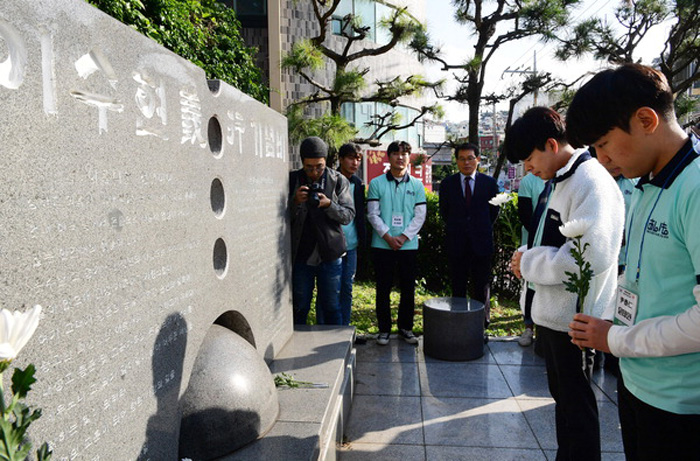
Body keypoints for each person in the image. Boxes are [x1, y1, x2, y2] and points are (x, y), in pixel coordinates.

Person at [566, 63, 700, 460]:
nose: (602, 160)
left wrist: (616, 338)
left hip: (680, 404)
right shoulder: (648, 183)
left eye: (604, 144)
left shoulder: (694, 188)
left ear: (645, 119)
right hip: (639, 382)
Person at [505, 106, 624, 461]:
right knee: (566, 402)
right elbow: (552, 240)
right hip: (556, 315)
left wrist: (529, 262)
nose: (528, 168)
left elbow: (588, 256)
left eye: (529, 158)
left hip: (576, 319)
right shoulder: (560, 180)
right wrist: (525, 254)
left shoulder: (590, 181)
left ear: (552, 145)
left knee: (577, 406)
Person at [289, 136, 355, 325]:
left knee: (332, 306)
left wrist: (329, 205)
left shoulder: (338, 180)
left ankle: (334, 349)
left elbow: (349, 214)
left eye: (319, 166)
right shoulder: (293, 179)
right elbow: (279, 216)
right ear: (302, 162)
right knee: (300, 305)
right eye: (309, 167)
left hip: (331, 253)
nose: (315, 172)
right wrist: (294, 201)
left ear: (326, 161)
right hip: (302, 253)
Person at [367, 141, 426, 345]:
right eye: (395, 153)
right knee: (383, 288)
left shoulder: (417, 185)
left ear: (409, 157)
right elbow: (373, 214)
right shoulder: (376, 183)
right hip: (382, 245)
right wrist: (388, 236)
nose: (400, 157)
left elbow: (420, 216)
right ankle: (384, 330)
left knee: (408, 288)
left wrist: (402, 237)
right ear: (388, 157)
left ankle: (405, 328)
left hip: (408, 246)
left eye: (404, 154)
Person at [438, 143, 499, 314]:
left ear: (478, 160)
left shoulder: (489, 184)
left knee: (481, 287)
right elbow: (445, 212)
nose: (466, 163)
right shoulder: (447, 184)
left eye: (470, 158)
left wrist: (478, 228)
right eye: (462, 159)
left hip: (482, 243)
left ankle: (480, 328)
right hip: (456, 243)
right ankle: (458, 326)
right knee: (457, 287)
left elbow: (493, 212)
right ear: (456, 161)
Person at [336, 142, 366, 326]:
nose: (355, 162)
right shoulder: (330, 179)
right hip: (332, 245)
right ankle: (327, 328)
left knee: (347, 288)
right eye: (351, 158)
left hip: (352, 245)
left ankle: (344, 329)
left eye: (358, 159)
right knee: (331, 290)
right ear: (340, 159)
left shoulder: (357, 183)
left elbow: (360, 216)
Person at [516, 172, 546, 347]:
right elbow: (525, 214)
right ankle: (528, 326)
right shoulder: (529, 181)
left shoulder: (563, 178)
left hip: (556, 246)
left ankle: (544, 330)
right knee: (531, 287)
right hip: (532, 244)